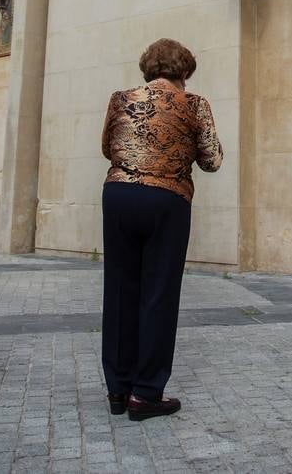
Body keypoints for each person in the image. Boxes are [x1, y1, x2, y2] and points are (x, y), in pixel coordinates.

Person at [100, 38, 223, 421]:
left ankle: (118, 389)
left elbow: (108, 147)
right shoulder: (195, 104)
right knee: (158, 292)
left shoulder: (120, 98)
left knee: (120, 288)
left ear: (147, 68)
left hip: (118, 194)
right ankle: (146, 393)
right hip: (166, 199)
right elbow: (212, 160)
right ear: (184, 71)